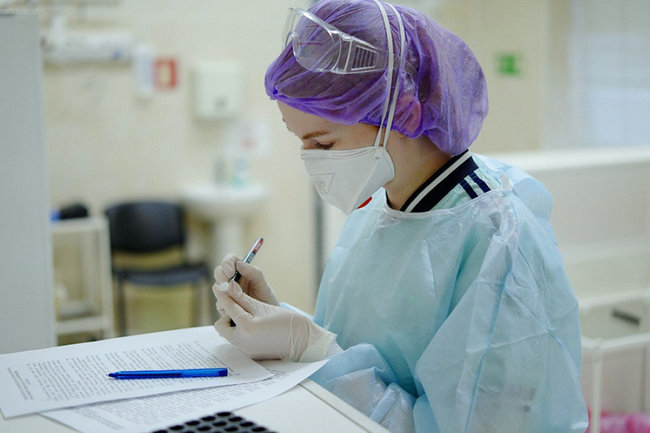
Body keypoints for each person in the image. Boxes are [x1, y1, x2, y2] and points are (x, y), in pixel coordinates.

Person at [212, 0, 589, 432]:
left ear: (404, 112)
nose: (310, 160)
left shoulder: (497, 239)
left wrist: (309, 348)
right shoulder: (380, 208)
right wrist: (278, 321)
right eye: (301, 141)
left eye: (324, 144)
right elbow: (360, 349)